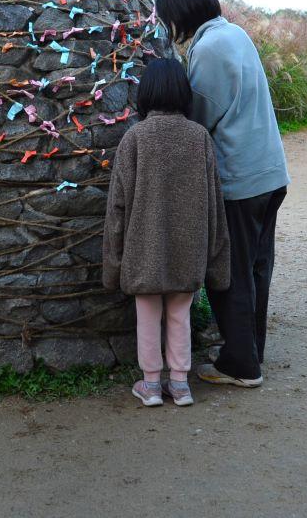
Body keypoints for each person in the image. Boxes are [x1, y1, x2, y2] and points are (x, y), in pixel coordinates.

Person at [154, 0, 289, 388]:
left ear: (180, 11)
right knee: (256, 268)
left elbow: (197, 117)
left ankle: (241, 367)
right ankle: (248, 350)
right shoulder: (234, 34)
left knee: (229, 271)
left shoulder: (208, 48)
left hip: (241, 179)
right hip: (270, 173)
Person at [103, 58, 231, 407]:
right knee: (180, 315)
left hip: (143, 250)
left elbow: (118, 207)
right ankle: (180, 383)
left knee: (148, 317)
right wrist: (217, 261)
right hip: (188, 251)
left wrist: (113, 264)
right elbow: (213, 201)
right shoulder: (199, 137)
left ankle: (151, 385)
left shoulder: (135, 138)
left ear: (145, 94)